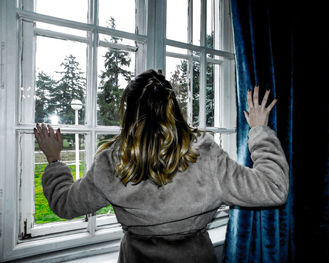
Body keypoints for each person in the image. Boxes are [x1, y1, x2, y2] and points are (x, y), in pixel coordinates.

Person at [34, 69, 289, 263]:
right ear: (173, 109)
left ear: (129, 113)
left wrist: (55, 161)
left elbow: (65, 204)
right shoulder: (205, 155)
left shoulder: (111, 162)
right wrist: (259, 130)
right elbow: (274, 188)